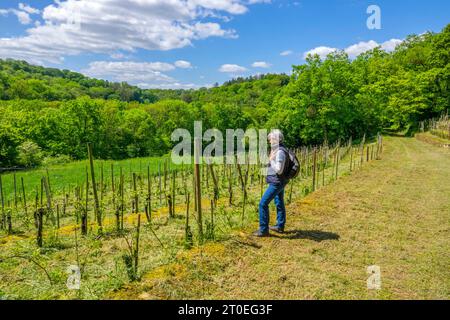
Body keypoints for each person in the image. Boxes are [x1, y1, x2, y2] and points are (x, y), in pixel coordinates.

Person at [254, 129, 289, 237]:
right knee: (279, 202)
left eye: (271, 139)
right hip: (279, 181)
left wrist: (271, 160)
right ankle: (280, 226)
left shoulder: (280, 152)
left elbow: (279, 169)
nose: (269, 141)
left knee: (263, 204)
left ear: (277, 139)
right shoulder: (278, 149)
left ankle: (263, 230)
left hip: (277, 182)